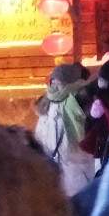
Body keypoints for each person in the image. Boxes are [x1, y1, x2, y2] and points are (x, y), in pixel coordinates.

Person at [34, 62, 98, 194]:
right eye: (53, 82)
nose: (54, 86)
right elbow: (40, 139)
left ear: (71, 83)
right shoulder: (46, 107)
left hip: (79, 175)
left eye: (59, 83)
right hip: (54, 177)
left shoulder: (78, 103)